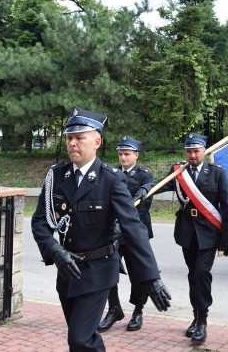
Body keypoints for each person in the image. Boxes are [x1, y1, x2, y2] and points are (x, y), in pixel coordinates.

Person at [31, 108, 171, 351]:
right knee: (85, 340)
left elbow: (133, 227)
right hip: (67, 271)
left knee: (79, 339)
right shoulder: (57, 175)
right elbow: (39, 222)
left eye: (80, 137)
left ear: (97, 141)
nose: (72, 143)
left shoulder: (111, 179)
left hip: (98, 271)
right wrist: (55, 251)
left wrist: (151, 276)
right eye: (69, 138)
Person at [149, 132, 228, 345]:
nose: (192, 155)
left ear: (204, 151)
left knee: (202, 274)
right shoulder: (178, 172)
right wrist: (143, 190)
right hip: (187, 232)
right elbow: (159, 186)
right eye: (189, 151)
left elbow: (227, 207)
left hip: (208, 233)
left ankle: (202, 321)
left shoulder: (216, 173)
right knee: (192, 274)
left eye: (196, 151)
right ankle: (195, 317)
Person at [97, 136, 154, 332]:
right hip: (112, 232)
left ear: (136, 155)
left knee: (138, 274)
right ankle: (114, 308)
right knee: (108, 270)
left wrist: (145, 189)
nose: (123, 157)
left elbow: (143, 204)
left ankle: (138, 311)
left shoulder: (145, 176)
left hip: (134, 233)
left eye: (127, 154)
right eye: (120, 154)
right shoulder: (111, 173)